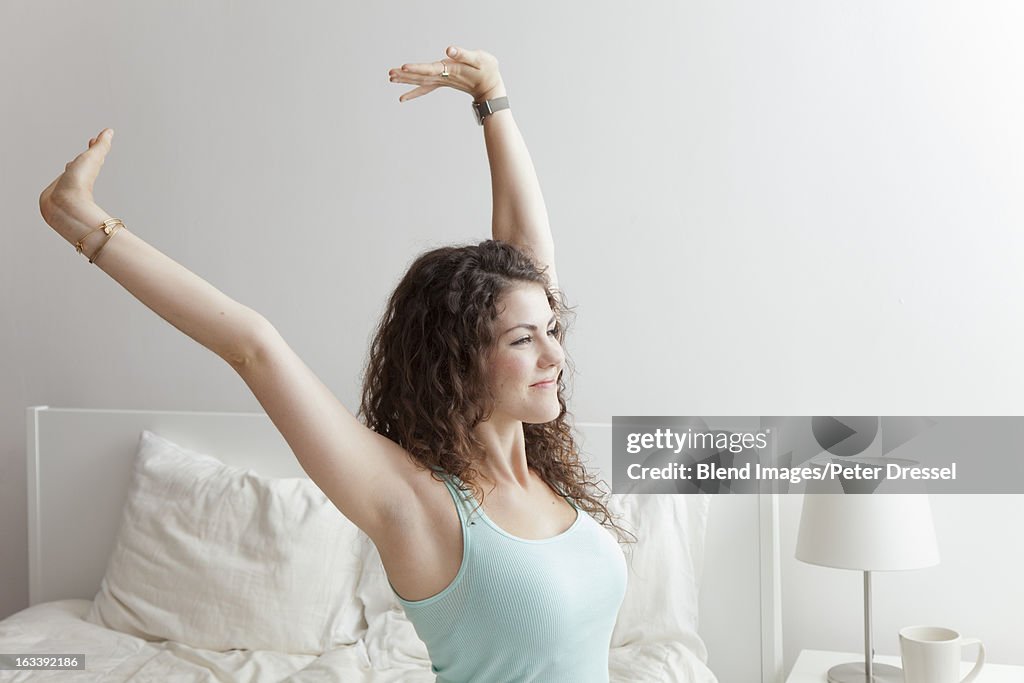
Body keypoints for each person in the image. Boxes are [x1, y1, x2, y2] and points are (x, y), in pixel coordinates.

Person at [38, 45, 635, 682]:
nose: (555, 354)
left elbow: (525, 266)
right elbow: (253, 347)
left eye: (551, 330)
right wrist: (84, 223)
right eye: (524, 341)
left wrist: (493, 100)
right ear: (459, 363)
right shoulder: (417, 504)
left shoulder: (541, 463)